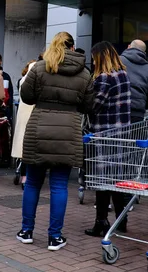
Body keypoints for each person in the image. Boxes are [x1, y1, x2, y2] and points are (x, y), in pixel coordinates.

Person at [17, 32, 94, 251]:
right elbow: (88, 105)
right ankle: (54, 237)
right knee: (59, 185)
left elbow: (26, 97)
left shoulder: (40, 67)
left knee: (32, 182)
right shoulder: (84, 73)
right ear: (72, 47)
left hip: (38, 126)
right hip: (68, 129)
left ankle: (26, 231)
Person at [84, 42, 132, 237]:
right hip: (121, 135)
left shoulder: (104, 78)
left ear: (100, 57)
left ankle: (101, 222)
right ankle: (121, 220)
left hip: (104, 134)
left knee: (102, 181)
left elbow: (94, 106)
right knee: (117, 180)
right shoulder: (123, 75)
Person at [12, 60, 38, 187]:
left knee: (22, 149)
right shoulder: (37, 82)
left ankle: (23, 176)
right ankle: (27, 176)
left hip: (22, 117)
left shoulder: (22, 81)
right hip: (34, 116)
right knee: (31, 149)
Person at [120, 39, 148, 123]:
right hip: (137, 113)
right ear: (144, 53)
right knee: (135, 135)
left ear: (128, 47)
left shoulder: (117, 61)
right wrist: (141, 105)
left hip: (118, 110)